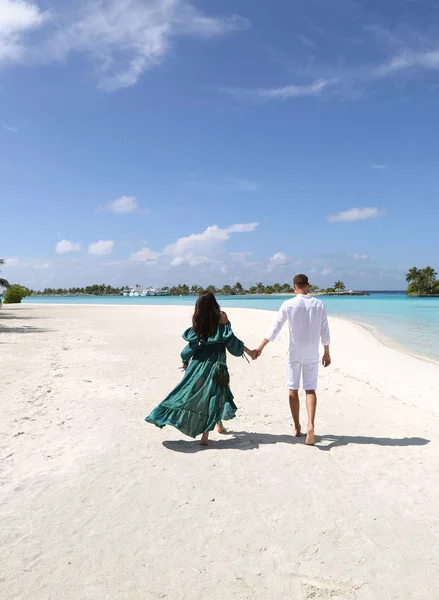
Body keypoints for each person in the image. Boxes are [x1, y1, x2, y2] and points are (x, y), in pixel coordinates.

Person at [145, 291, 257, 446]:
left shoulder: (199, 319)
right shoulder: (221, 316)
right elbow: (231, 341)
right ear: (214, 303)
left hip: (197, 364)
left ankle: (219, 425)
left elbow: (191, 346)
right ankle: (205, 436)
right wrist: (249, 352)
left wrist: (185, 360)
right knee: (213, 394)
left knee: (192, 393)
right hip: (216, 364)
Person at [256, 274, 331, 446]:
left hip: (294, 353)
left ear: (294, 286)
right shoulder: (319, 304)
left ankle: (297, 427)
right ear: (308, 285)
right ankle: (310, 425)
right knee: (310, 389)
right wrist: (327, 351)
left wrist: (260, 347)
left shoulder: (288, 304)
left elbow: (274, 327)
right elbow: (324, 330)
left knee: (293, 390)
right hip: (312, 352)